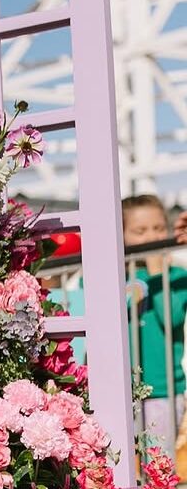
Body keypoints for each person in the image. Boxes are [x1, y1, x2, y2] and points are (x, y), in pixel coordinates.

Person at [123, 195, 187, 457]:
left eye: (159, 228)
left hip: (163, 392)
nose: (152, 236)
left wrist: (156, 270)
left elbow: (170, 317)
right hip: (122, 388)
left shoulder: (177, 277)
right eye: (140, 231)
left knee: (159, 466)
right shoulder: (114, 273)